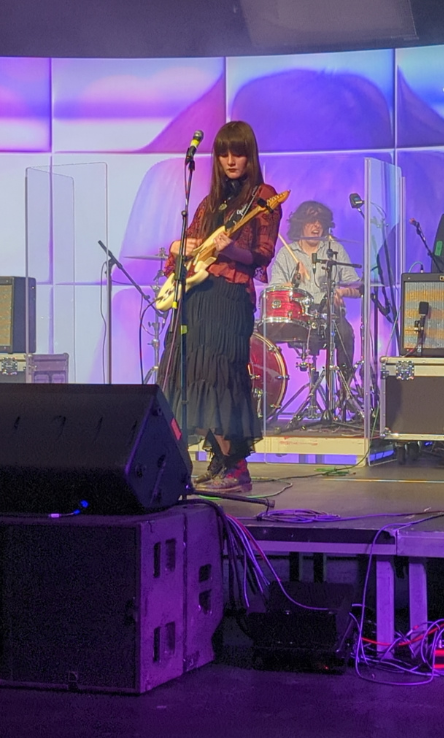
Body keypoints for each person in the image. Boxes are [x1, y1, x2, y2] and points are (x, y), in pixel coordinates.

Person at [158, 120, 282, 493]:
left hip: (229, 299)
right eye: (224, 154)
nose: (230, 161)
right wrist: (177, 248)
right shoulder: (210, 202)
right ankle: (217, 459)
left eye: (238, 154)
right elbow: (187, 247)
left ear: (250, 156)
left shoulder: (263, 197)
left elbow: (262, 254)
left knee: (222, 377)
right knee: (189, 375)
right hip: (197, 298)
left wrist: (232, 250)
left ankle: (237, 467)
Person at [267, 200, 360, 375]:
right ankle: (271, 383)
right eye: (311, 221)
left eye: (320, 222)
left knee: (345, 333)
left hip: (328, 314)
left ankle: (343, 386)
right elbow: (275, 289)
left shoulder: (334, 249)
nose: (317, 226)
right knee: (265, 331)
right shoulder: (287, 253)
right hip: (299, 315)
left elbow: (357, 287)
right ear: (301, 224)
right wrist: (294, 280)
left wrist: (342, 292)